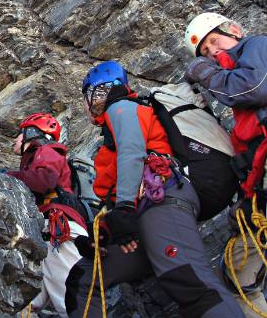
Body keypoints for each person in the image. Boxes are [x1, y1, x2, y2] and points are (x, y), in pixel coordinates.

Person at [65, 60, 243, 318]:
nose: (88, 105)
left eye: (89, 96)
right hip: (146, 213)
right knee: (83, 279)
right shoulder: (118, 120)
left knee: (189, 281)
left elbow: (132, 152)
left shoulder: (121, 107)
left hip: (160, 199)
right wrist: (106, 233)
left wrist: (125, 208)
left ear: (98, 91)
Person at [184, 12, 267, 315]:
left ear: (234, 29)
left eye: (214, 42)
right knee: (238, 272)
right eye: (205, 52)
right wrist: (247, 200)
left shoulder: (256, 46)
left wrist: (206, 73)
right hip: (258, 184)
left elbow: (254, 88)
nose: (213, 53)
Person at [0, 113, 88, 317]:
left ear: (31, 133)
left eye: (19, 134)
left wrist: (6, 176)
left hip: (60, 232)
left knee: (74, 302)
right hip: (50, 237)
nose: (15, 139)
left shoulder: (48, 150)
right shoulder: (38, 158)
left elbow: (43, 180)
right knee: (25, 304)